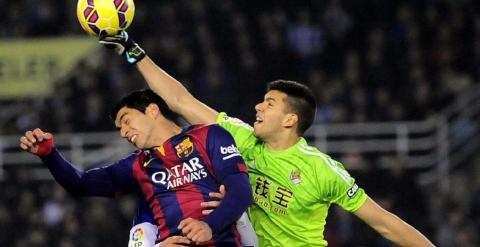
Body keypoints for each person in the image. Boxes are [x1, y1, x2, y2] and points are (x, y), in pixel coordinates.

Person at [99, 32, 435, 247]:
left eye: (269, 103)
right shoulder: (241, 138)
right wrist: (133, 50)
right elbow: (182, 102)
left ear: (291, 119)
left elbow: (386, 224)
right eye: (262, 99)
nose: (258, 106)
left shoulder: (322, 170)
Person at [19, 89, 254, 246]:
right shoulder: (137, 165)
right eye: (119, 128)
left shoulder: (208, 135)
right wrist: (50, 155)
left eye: (126, 120)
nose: (123, 132)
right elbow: (80, 184)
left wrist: (209, 225)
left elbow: (241, 190)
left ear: (152, 110)